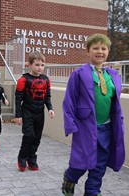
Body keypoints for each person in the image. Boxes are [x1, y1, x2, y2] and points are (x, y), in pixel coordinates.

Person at [62, 33, 125, 196]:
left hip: (106, 126)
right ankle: (70, 178)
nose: (100, 51)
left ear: (108, 51)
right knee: (81, 162)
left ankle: (92, 191)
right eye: (95, 48)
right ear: (88, 51)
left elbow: (114, 101)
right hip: (84, 126)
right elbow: (69, 100)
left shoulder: (112, 75)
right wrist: (70, 124)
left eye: (103, 48)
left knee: (100, 163)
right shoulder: (78, 74)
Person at [14, 51, 55, 171]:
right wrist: (18, 115)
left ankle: (32, 158)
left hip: (40, 112)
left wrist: (50, 108)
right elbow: (18, 98)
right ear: (29, 64)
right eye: (37, 65)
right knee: (29, 135)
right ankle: (22, 156)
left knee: (37, 137)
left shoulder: (46, 80)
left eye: (42, 65)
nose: (40, 67)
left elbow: (47, 96)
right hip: (27, 111)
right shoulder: (24, 79)